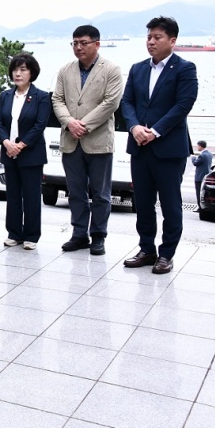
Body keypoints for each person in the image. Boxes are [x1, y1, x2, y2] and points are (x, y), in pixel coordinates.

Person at [121, 16, 198, 274]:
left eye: (157, 37)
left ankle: (166, 254)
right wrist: (133, 127)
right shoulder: (137, 68)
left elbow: (183, 105)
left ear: (172, 41)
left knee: (170, 205)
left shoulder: (185, 68)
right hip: (139, 146)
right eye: (149, 37)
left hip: (168, 149)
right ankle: (146, 249)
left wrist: (155, 131)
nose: (151, 42)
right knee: (142, 203)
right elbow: (127, 102)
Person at [51, 25, 124, 256]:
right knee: (75, 191)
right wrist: (70, 122)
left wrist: (83, 124)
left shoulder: (111, 69)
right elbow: (57, 99)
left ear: (97, 44)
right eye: (75, 43)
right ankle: (79, 233)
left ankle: (99, 235)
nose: (79, 47)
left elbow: (111, 102)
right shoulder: (65, 70)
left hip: (98, 140)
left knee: (101, 192)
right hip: (71, 139)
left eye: (84, 43)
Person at [0, 53, 51, 250]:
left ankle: (31, 235)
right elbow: (0, 122)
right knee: (13, 195)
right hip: (9, 152)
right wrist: (6, 142)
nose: (17, 74)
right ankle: (14, 232)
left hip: (31, 153)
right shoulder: (5, 95)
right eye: (15, 70)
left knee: (32, 196)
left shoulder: (41, 96)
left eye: (23, 70)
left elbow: (39, 124)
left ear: (32, 72)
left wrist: (21, 144)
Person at [192, 140, 213, 204]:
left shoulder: (202, 155)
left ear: (200, 146)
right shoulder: (209, 154)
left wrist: (193, 158)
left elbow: (195, 163)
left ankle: (199, 206)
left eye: (198, 146)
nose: (197, 147)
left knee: (199, 192)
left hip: (200, 177)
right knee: (205, 192)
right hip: (206, 175)